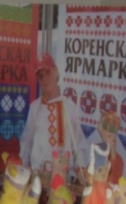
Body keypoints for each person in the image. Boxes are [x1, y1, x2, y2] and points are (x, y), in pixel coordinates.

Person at [19, 53, 87, 181]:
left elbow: (78, 144)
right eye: (41, 76)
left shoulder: (69, 107)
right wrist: (22, 168)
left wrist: (81, 169)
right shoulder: (34, 108)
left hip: (64, 180)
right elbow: (26, 142)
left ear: (56, 72)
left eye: (48, 73)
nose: (45, 79)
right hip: (37, 179)